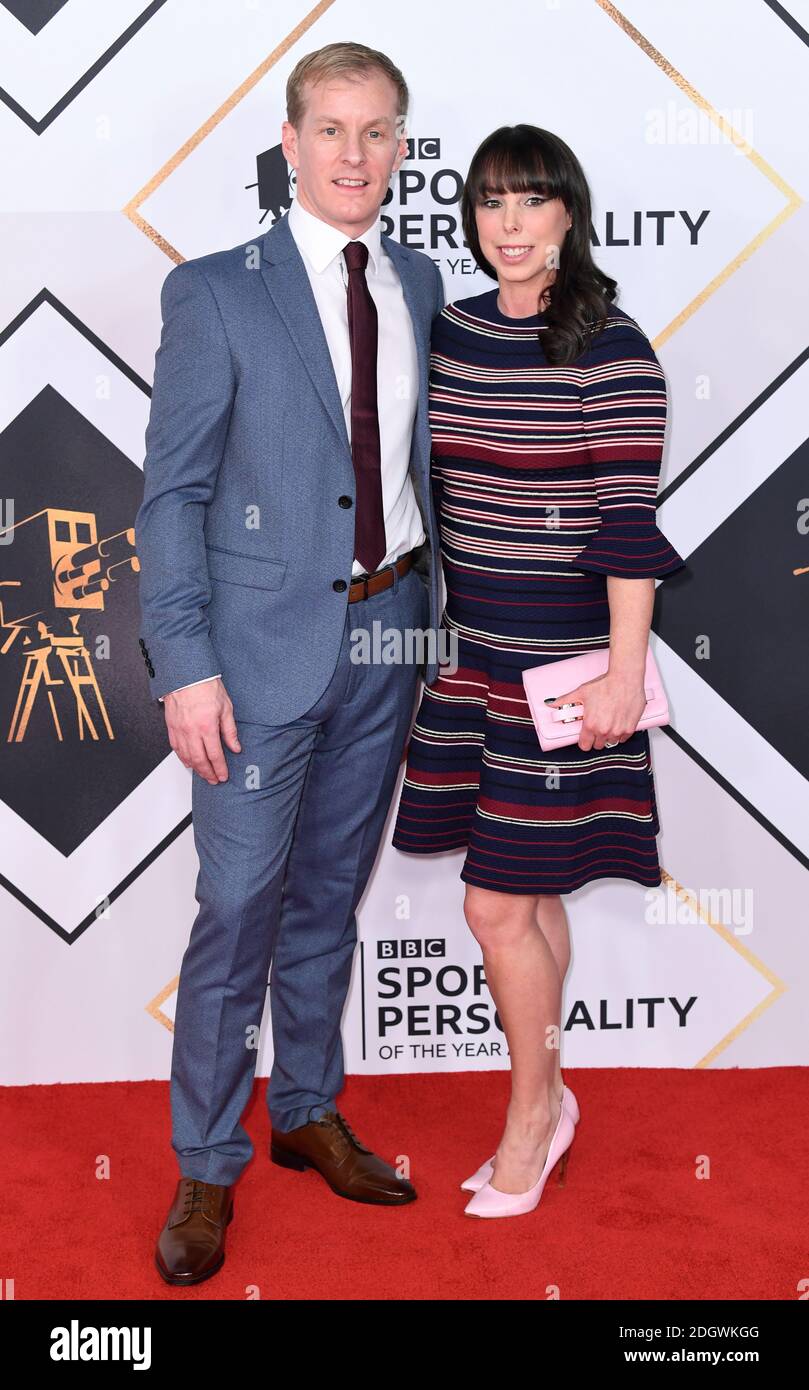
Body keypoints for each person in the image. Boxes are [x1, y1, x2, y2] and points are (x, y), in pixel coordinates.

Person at [135, 41, 445, 1284]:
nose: (354, 156)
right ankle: (207, 1164)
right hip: (253, 659)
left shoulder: (419, 278)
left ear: (400, 147)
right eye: (331, 130)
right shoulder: (214, 291)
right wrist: (183, 664)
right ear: (287, 140)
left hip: (389, 634)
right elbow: (170, 498)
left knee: (328, 898)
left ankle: (306, 1109)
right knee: (237, 912)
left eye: (377, 133)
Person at [392, 124, 686, 1219]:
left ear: (568, 211)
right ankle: (552, 1090)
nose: (507, 226)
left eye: (528, 202)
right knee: (526, 896)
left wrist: (620, 674)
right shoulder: (452, 333)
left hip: (564, 675)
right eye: (488, 205)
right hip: (473, 663)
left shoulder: (610, 347)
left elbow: (624, 527)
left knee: (492, 908)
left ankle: (529, 1118)